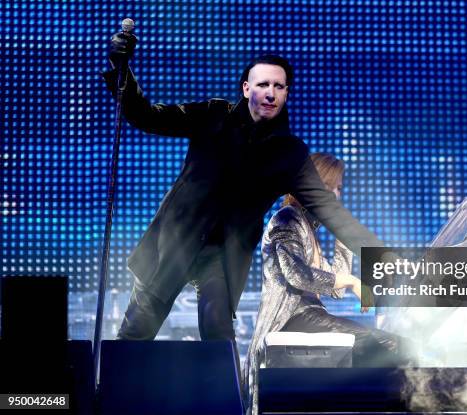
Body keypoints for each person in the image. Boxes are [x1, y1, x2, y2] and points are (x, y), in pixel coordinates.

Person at [102, 33, 382, 352]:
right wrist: (120, 67)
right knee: (137, 332)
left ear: (287, 93)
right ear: (246, 88)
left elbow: (331, 212)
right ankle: (110, 396)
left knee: (219, 338)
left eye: (278, 86)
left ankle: (222, 401)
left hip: (222, 257)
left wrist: (383, 258)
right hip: (173, 242)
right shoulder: (213, 115)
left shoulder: (289, 153)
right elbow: (147, 116)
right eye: (262, 85)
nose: (270, 93)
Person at [243, 153, 410, 415]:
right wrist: (353, 281)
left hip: (310, 315)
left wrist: (343, 236)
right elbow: (297, 274)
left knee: (394, 347)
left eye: (339, 188)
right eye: (328, 186)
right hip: (291, 318)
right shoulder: (286, 218)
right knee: (391, 346)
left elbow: (335, 287)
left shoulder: (309, 227)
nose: (336, 195)